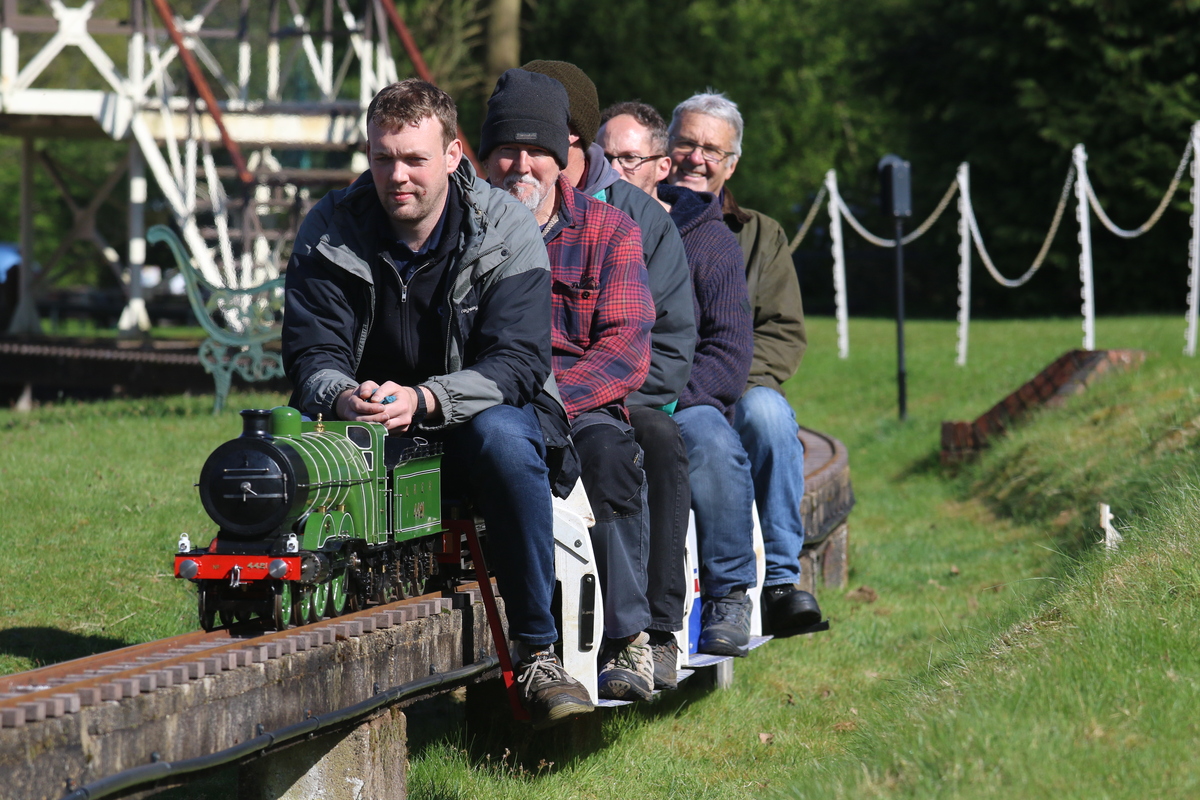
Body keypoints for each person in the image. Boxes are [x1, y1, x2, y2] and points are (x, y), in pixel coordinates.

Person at [281, 79, 593, 729]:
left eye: (415, 159)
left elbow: (519, 363)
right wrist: (343, 395)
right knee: (284, 452)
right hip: (369, 418)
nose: (397, 175)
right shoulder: (329, 227)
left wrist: (426, 399)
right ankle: (291, 645)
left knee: (503, 440)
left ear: (453, 155)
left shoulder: (506, 226)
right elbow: (311, 353)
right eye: (383, 158)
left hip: (484, 412)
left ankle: (537, 651)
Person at [479, 68, 658, 701]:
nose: (520, 165)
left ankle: (629, 640)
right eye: (506, 149)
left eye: (536, 150)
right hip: (493, 396)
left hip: (581, 399)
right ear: (483, 157)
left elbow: (626, 349)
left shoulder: (611, 232)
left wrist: (554, 400)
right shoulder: (465, 231)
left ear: (563, 157)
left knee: (609, 456)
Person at [525, 62, 696, 690]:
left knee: (651, 439)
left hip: (625, 390)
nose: (519, 160)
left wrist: (596, 400)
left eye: (532, 139)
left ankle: (656, 628)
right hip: (532, 392)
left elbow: (665, 340)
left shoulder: (635, 219)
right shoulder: (498, 211)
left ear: (568, 135)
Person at [601, 102, 758, 658]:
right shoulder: (583, 224)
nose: (614, 170)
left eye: (629, 159)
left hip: (683, 394)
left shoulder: (706, 239)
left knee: (709, 439)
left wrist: (667, 397)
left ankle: (728, 593)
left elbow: (729, 352)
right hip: (605, 394)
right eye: (605, 157)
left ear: (658, 166)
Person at [665, 91, 823, 636]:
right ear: (665, 148)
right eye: (686, 143)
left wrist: (724, 385)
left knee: (769, 416)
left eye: (712, 150)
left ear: (731, 164)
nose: (696, 158)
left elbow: (783, 333)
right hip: (664, 387)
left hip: (737, 383)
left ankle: (779, 582)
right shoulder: (636, 220)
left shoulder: (761, 234)